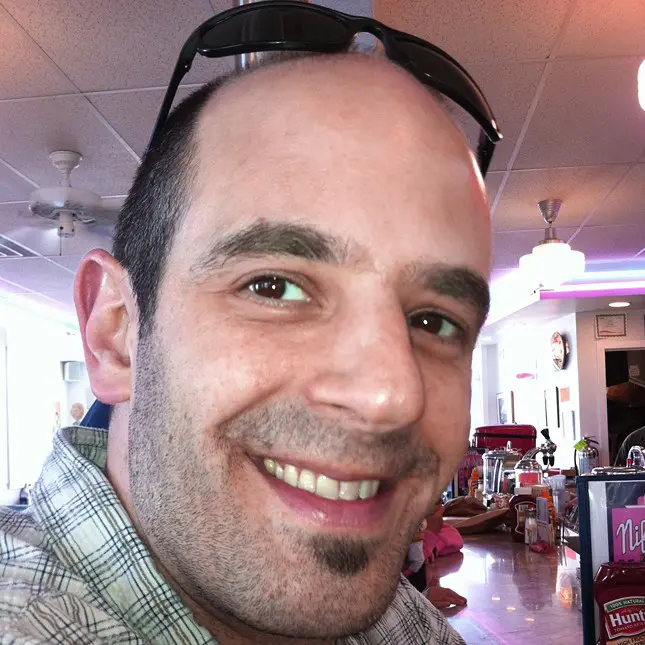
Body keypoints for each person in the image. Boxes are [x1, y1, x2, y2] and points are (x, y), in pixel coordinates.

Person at [0, 6, 495, 645]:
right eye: (274, 287)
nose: (390, 396)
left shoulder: (404, 622)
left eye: (434, 321)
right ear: (115, 334)